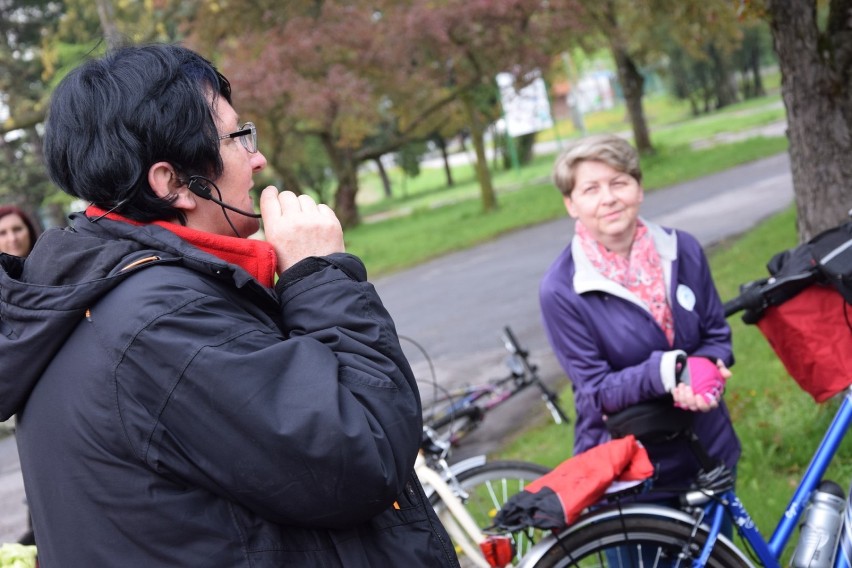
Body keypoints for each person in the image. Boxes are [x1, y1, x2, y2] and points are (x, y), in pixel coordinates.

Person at [0, 44, 459, 567]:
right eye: (239, 137)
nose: (257, 157)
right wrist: (321, 275)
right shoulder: (162, 322)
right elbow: (364, 456)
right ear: (173, 183)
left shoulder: (110, 292)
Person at [539, 134, 740, 496]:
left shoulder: (684, 250)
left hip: (707, 449)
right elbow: (596, 390)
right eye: (591, 189)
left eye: (619, 182)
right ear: (571, 204)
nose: (609, 198)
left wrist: (707, 372)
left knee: (719, 554)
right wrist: (670, 372)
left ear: (639, 188)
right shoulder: (561, 289)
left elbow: (715, 334)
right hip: (629, 471)